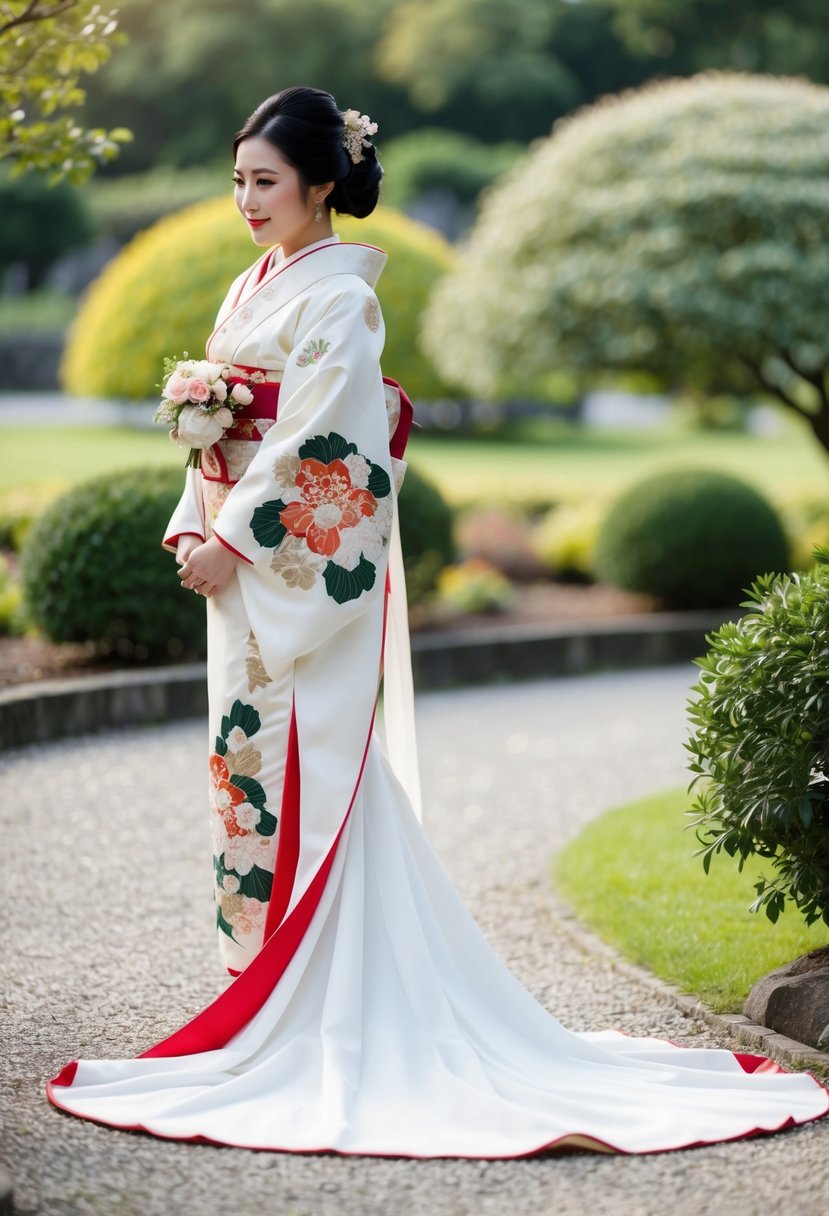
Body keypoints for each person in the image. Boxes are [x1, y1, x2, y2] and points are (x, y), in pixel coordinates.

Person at [45, 86, 829, 1158]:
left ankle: (321, 1003)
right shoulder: (251, 285)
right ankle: (271, 994)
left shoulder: (341, 305)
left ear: (323, 186)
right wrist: (195, 521)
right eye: (237, 181)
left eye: (264, 182)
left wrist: (241, 536)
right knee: (246, 772)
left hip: (290, 580)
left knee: (312, 779)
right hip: (243, 582)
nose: (244, 200)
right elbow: (219, 431)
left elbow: (333, 451)